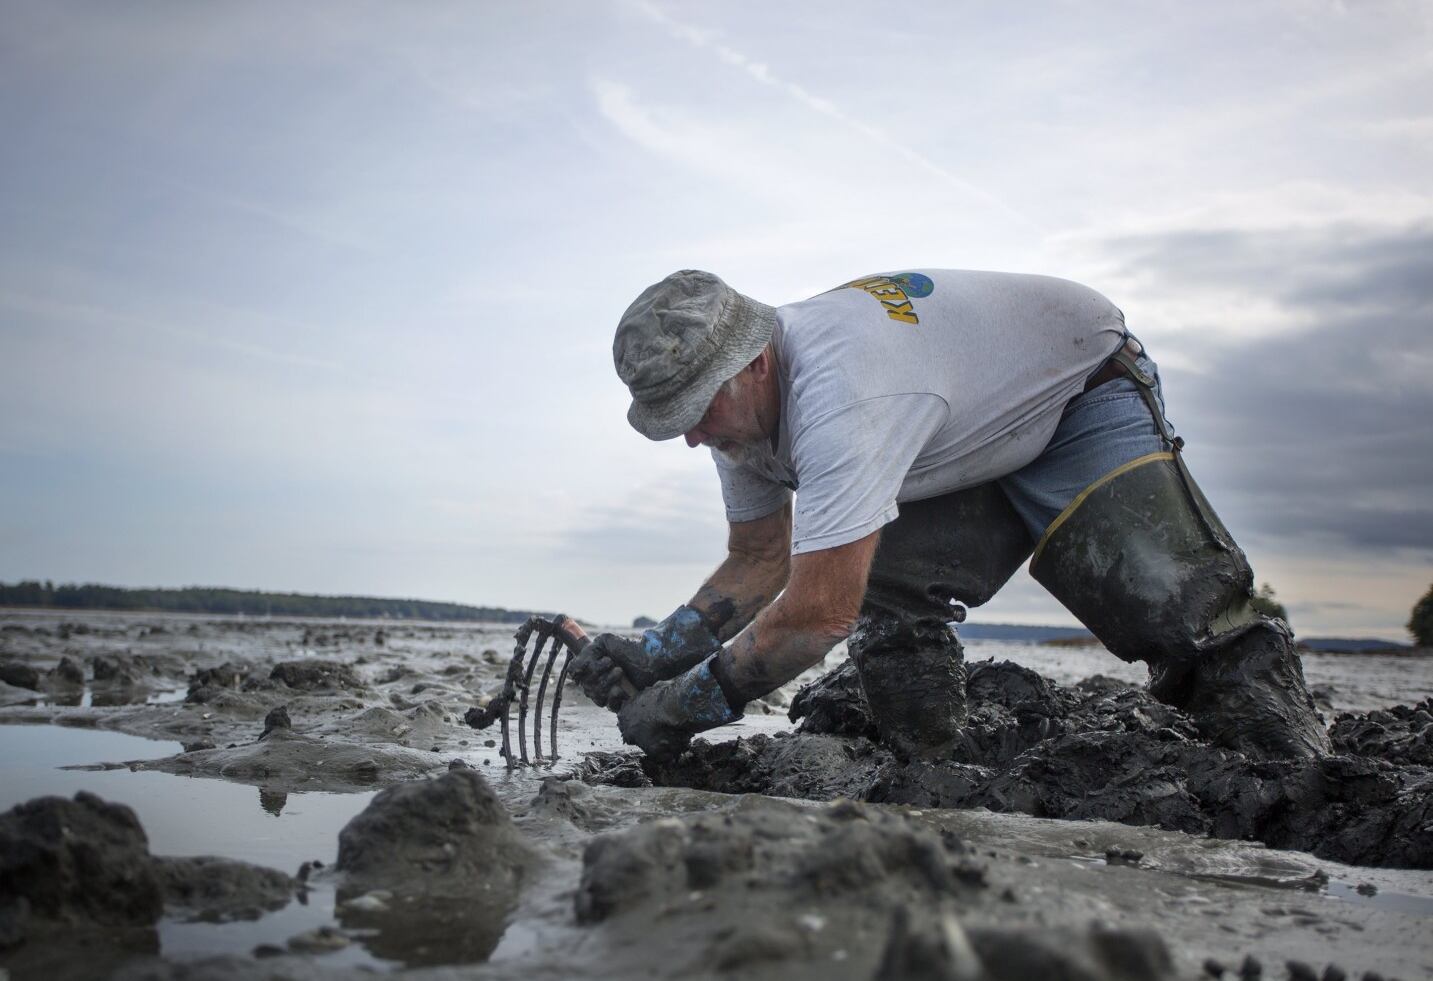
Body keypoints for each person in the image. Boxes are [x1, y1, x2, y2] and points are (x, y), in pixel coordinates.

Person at [568, 268, 1331, 765]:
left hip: (1074, 387)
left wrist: (680, 705)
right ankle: (929, 771)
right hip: (959, 431)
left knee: (1169, 604)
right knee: (886, 594)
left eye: (697, 412)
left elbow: (813, 613)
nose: (694, 435)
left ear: (756, 362)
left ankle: (1298, 769)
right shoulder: (736, 414)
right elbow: (760, 559)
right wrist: (654, 652)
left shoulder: (846, 397)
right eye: (675, 422)